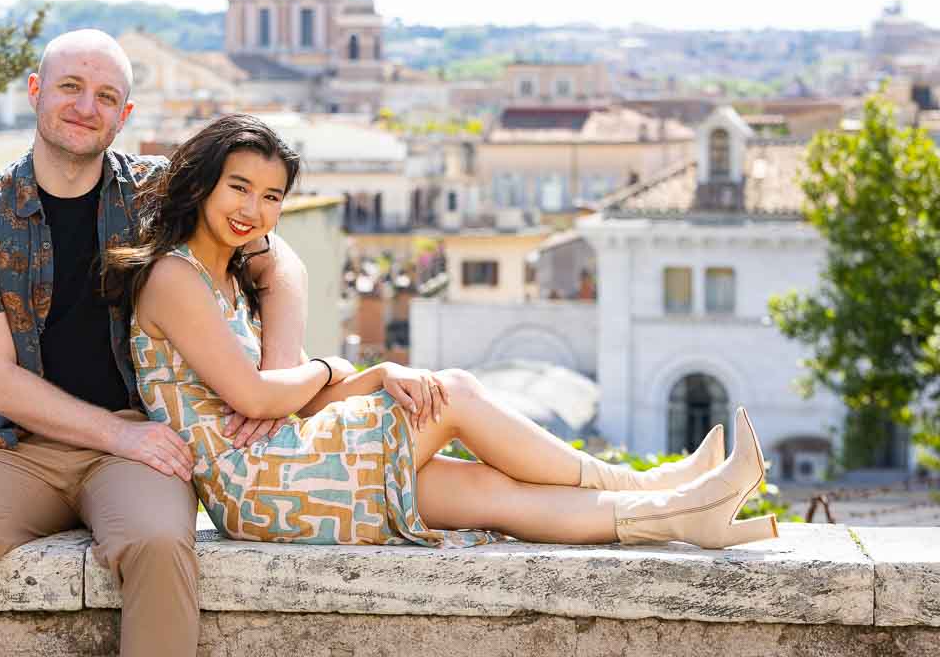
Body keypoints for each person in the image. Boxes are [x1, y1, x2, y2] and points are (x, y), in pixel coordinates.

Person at [106, 114, 781, 549]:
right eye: (239, 188)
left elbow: (273, 391)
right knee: (448, 391)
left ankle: (682, 514)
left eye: (273, 196)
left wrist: (319, 380)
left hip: (287, 467)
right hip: (258, 483)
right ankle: (642, 484)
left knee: (492, 495)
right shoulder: (173, 277)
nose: (255, 210)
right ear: (200, 185)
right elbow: (256, 399)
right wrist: (340, 372)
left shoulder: (230, 273)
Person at [0, 30, 309, 657]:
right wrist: (119, 435)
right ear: (35, 92)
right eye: (70, 87)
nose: (86, 106)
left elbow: (281, 265)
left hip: (140, 445)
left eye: (105, 95)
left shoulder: (159, 195)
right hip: (16, 445)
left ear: (125, 116)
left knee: (161, 549)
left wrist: (272, 385)